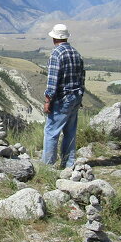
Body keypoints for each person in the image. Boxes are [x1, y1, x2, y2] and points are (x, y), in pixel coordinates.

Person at [41, 23, 85, 168]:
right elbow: (82, 77)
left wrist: (48, 100)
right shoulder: (75, 53)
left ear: (54, 38)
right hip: (75, 96)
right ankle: (68, 163)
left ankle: (47, 165)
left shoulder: (56, 54)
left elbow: (52, 81)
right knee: (70, 132)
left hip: (62, 99)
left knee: (51, 131)